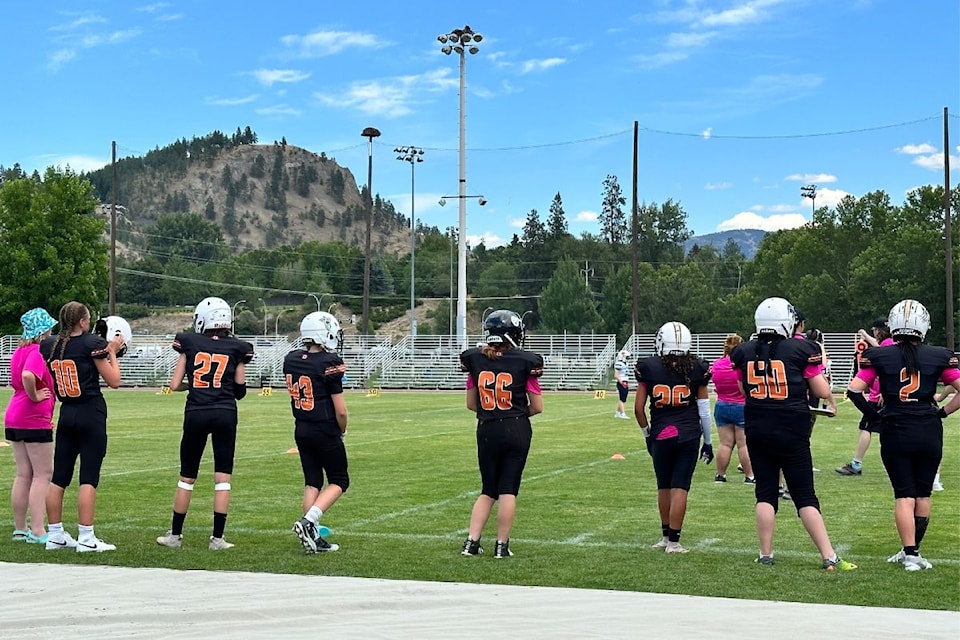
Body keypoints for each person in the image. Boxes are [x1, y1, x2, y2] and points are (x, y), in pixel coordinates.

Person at [730, 297, 856, 570]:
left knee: (765, 494)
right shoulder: (801, 349)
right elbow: (820, 386)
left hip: (757, 427)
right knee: (804, 495)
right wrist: (831, 402)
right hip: (791, 428)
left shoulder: (743, 351)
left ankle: (765, 554)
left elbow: (743, 389)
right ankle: (828, 555)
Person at [846, 299, 960, 571]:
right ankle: (913, 553)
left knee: (903, 495)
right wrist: (942, 413)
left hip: (895, 428)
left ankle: (910, 554)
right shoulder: (939, 355)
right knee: (923, 494)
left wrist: (875, 416)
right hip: (929, 429)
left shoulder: (880, 355)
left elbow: (853, 390)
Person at [157, 297, 253, 551]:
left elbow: (175, 384)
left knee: (186, 477)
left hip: (196, 411)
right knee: (222, 478)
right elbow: (240, 391)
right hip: (225, 412)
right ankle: (217, 539)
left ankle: (175, 536)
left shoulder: (189, 342)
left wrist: (197, 385)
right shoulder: (238, 347)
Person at [459, 309, 544, 559]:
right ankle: (501, 546)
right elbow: (537, 407)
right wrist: (515, 414)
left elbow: (471, 404)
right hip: (516, 426)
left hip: (486, 427)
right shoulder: (524, 361)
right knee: (508, 489)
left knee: (488, 489)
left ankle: (471, 543)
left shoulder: (476, 359)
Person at [40, 302, 124, 552]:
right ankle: (86, 538)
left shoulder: (51, 345)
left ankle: (55, 535)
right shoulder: (91, 344)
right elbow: (115, 381)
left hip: (67, 412)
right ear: (83, 323)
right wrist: (111, 352)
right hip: (90, 411)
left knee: (59, 478)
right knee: (88, 477)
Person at [635, 321, 713, 554]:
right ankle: (674, 542)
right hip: (688, 435)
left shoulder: (649, 367)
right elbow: (704, 410)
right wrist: (708, 442)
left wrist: (647, 435)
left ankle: (664, 536)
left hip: (661, 433)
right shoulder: (697, 368)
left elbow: (639, 408)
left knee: (664, 486)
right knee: (680, 487)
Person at [286, 311, 349, 554]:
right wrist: (342, 430)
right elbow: (341, 411)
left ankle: (311, 537)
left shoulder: (292, 359)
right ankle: (308, 521)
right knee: (340, 480)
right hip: (323, 428)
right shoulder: (328, 362)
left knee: (312, 481)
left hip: (301, 427)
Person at [4, 308, 58, 544]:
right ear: (43, 330)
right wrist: (36, 396)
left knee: (23, 473)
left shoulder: (19, 350)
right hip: (32, 417)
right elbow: (28, 375)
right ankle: (38, 529)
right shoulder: (38, 351)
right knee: (42, 474)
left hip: (14, 414)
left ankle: (20, 527)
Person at [837, 318, 894, 476]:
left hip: (879, 396)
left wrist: (884, 390)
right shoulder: (891, 343)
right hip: (883, 394)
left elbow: (880, 352)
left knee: (867, 427)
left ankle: (856, 464)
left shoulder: (888, 344)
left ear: (878, 330)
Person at [711, 334, 753, 484]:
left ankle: (720, 475)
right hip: (741, 405)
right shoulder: (741, 364)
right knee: (743, 444)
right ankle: (749, 475)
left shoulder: (717, 364)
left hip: (721, 405)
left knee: (725, 443)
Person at [613, 349, 632, 419]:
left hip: (625, 382)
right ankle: (622, 413)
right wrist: (621, 382)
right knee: (622, 399)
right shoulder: (619, 364)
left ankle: (617, 413)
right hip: (621, 382)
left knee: (623, 398)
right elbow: (616, 375)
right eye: (626, 357)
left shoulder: (625, 364)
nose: (627, 359)